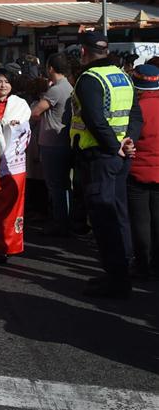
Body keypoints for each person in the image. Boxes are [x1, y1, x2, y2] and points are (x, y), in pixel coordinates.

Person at [70, 31, 142, 298]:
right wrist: (127, 142)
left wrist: (114, 147)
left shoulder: (89, 79)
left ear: (83, 52)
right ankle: (120, 274)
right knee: (118, 215)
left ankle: (116, 280)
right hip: (120, 156)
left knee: (104, 220)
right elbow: (135, 114)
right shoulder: (123, 76)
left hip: (101, 157)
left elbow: (94, 119)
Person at [0, 69, 31, 264]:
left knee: (13, 204)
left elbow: (25, 130)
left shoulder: (20, 105)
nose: (3, 85)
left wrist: (14, 126)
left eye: (6, 82)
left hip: (13, 162)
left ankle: (10, 244)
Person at [30, 53, 73, 235]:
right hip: (63, 140)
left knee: (55, 185)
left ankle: (60, 224)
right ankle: (65, 220)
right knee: (63, 184)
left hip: (52, 142)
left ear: (51, 69)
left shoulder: (55, 90)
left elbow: (35, 111)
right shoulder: (68, 86)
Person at [127, 64, 159, 280]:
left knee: (140, 221)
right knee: (157, 220)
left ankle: (142, 265)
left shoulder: (135, 109)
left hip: (137, 171)